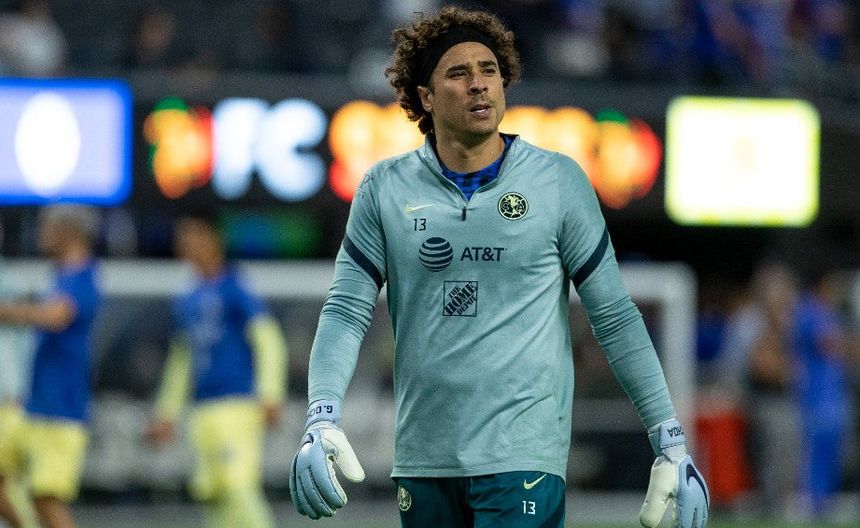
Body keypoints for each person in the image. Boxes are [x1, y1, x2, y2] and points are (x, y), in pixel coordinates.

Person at [289, 6, 709, 528]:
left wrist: (669, 437)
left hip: (523, 460)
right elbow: (346, 311)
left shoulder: (557, 181)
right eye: (458, 73)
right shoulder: (383, 188)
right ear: (425, 96)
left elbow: (615, 316)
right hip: (423, 460)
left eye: (489, 70)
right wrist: (321, 415)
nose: (479, 84)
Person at [147, 211, 288, 528]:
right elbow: (182, 361)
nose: (185, 242)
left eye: (193, 234)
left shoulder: (236, 287)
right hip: (202, 409)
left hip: (237, 404)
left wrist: (271, 393)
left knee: (238, 487)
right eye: (181, 236)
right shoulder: (187, 298)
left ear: (213, 239)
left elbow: (268, 340)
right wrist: (166, 413)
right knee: (213, 494)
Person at [0, 205, 101, 528]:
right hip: (34, 406)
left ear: (67, 232)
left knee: (46, 497)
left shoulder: (82, 278)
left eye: (45, 227)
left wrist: (7, 312)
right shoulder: (60, 277)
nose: (39, 234)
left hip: (61, 410)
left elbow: (56, 316)